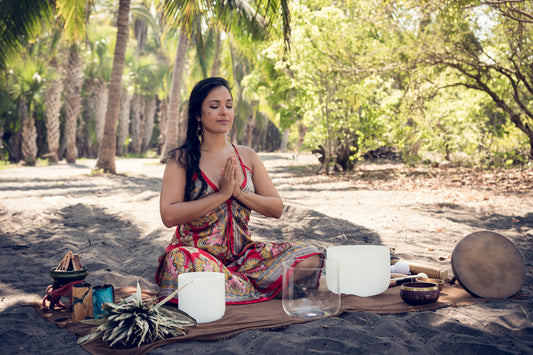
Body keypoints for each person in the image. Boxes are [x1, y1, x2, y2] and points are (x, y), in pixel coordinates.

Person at [155, 77, 322, 304]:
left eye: (229, 105)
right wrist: (221, 195)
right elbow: (168, 215)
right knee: (180, 260)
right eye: (214, 106)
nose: (224, 112)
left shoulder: (247, 156)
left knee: (309, 255)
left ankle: (236, 286)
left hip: (244, 257)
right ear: (198, 115)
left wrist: (239, 194)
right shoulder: (181, 159)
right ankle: (255, 287)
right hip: (199, 258)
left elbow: (276, 208)